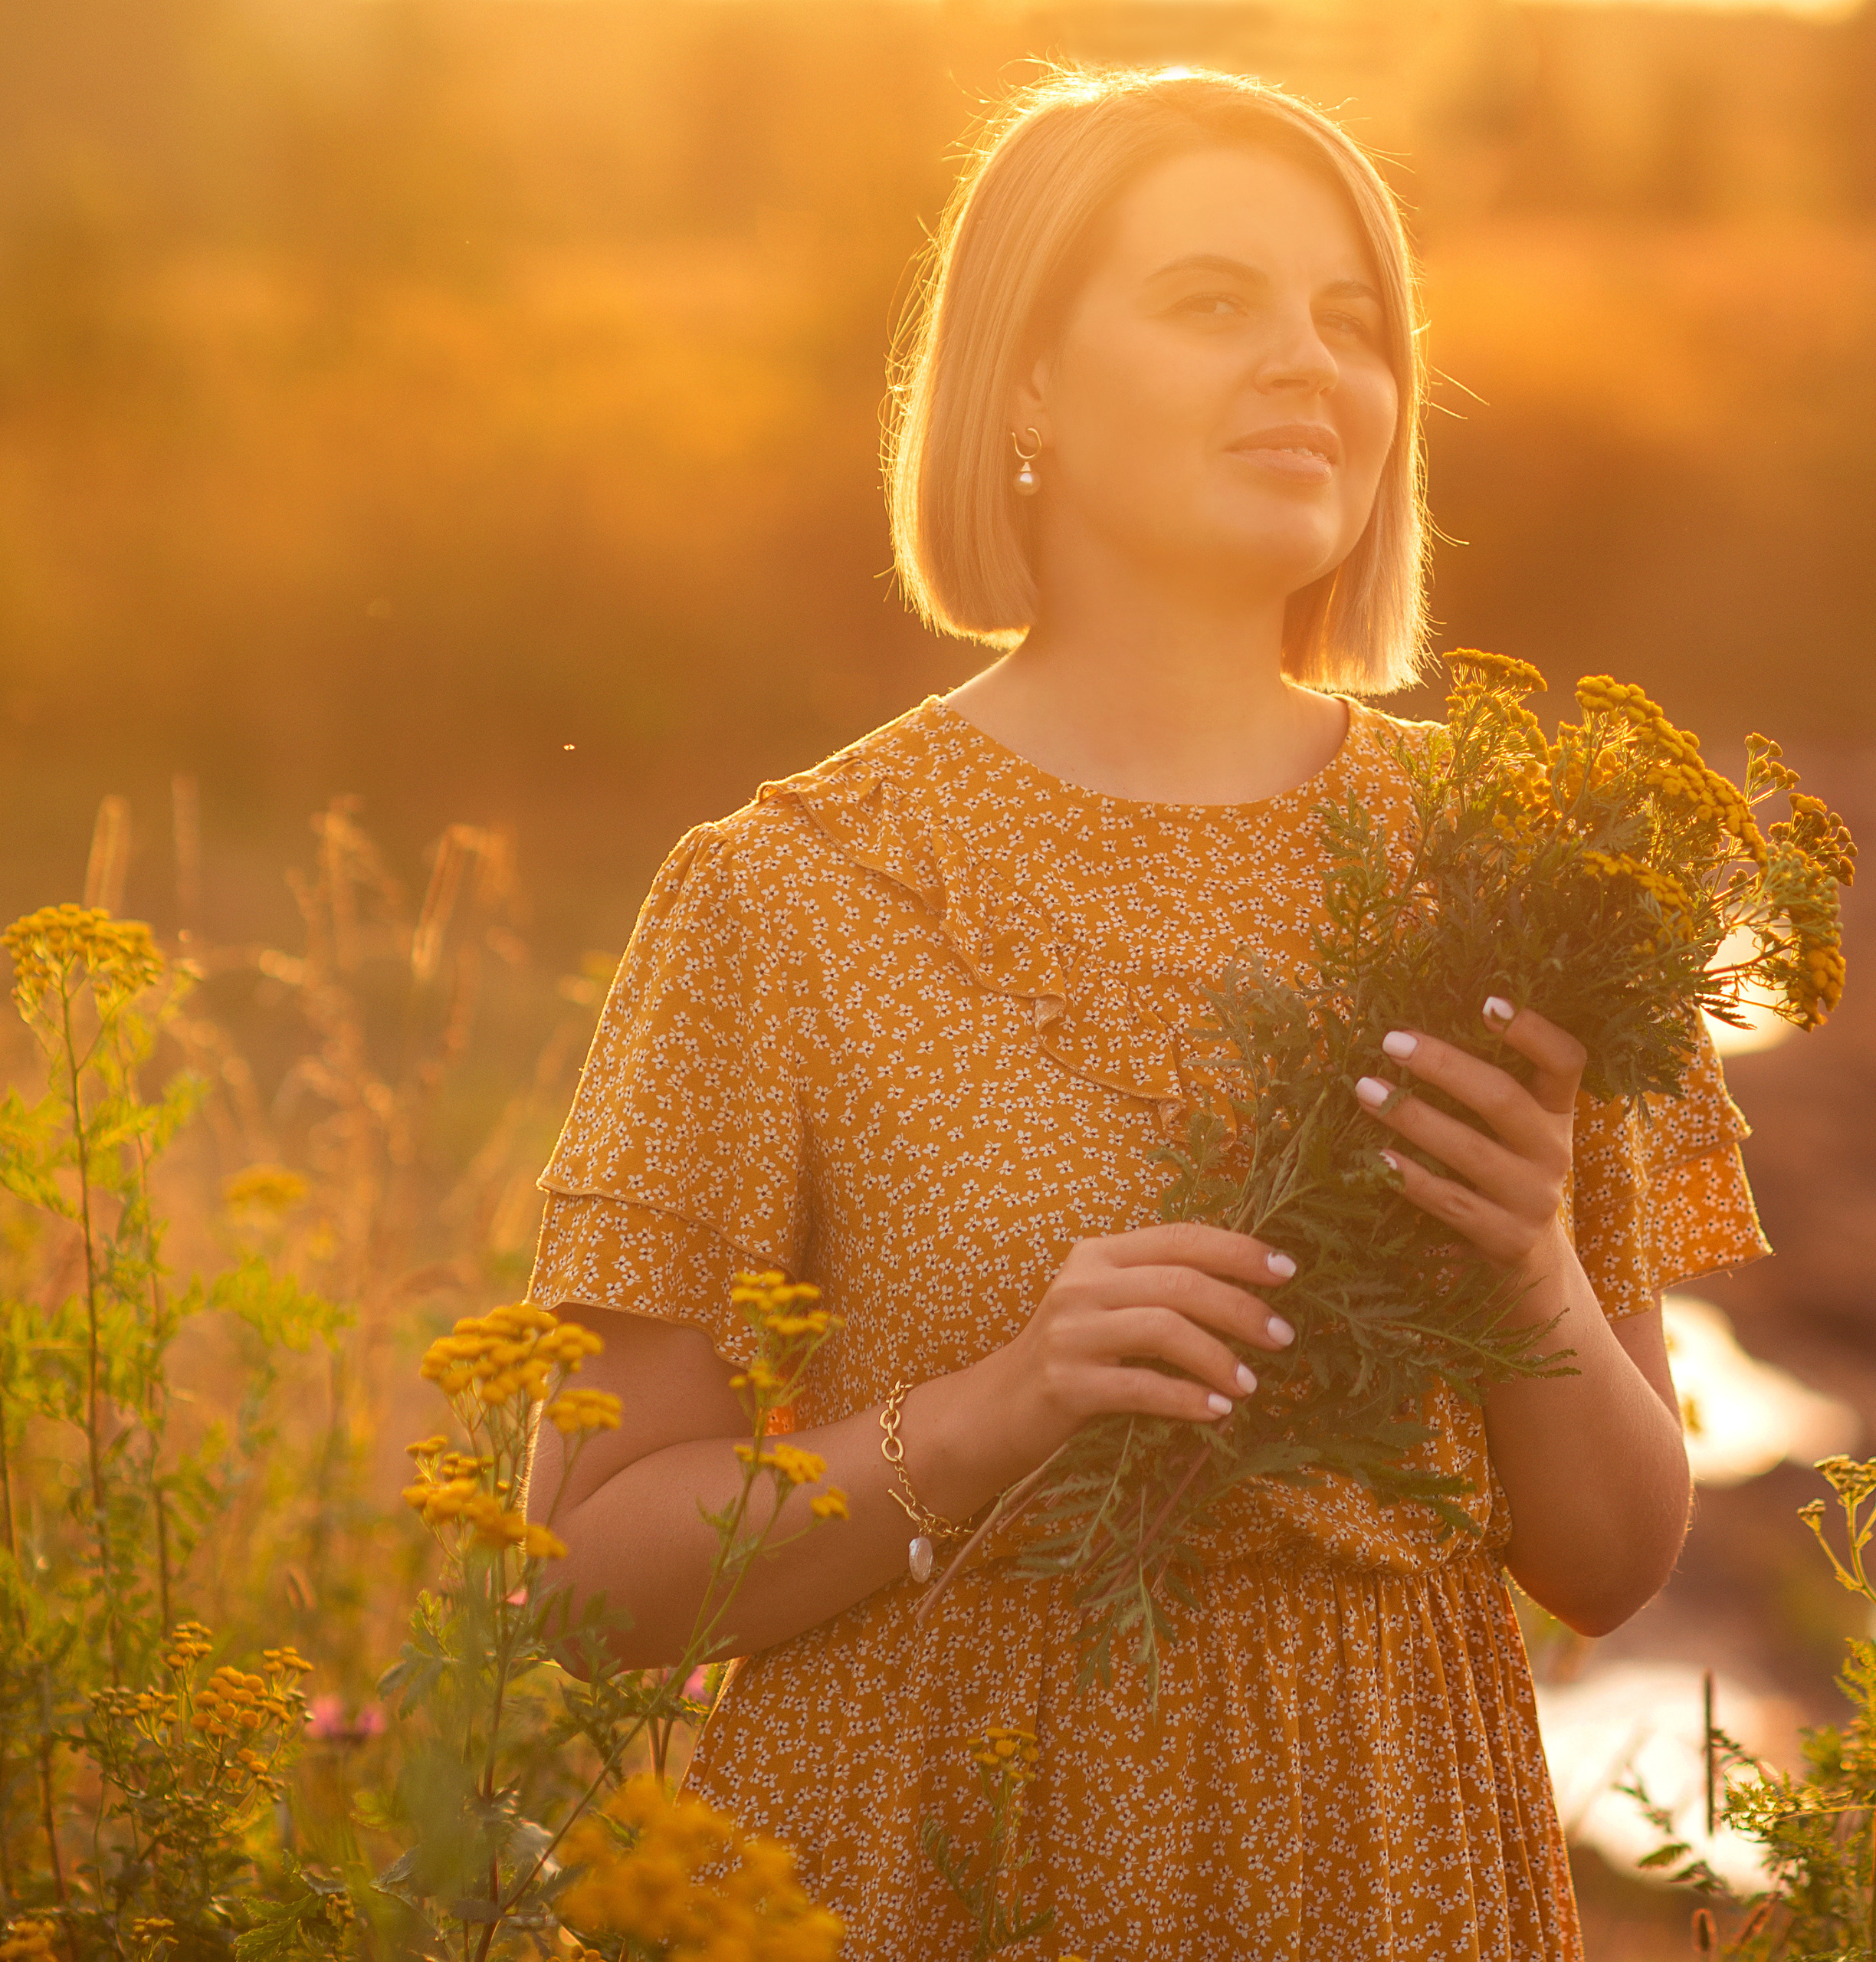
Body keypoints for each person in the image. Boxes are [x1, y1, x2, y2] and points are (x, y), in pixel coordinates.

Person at [526, 65, 1766, 1960]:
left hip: (1384, 1856)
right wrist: (988, 1409)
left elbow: (1610, 1561)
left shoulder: (1506, 871)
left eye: (1350, 322)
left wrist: (1523, 1268)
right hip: (914, 1855)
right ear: (1021, 384)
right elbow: (592, 1574)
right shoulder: (782, 892)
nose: (1307, 364)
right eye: (1213, 303)